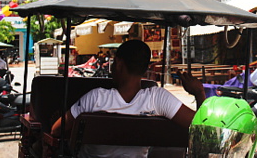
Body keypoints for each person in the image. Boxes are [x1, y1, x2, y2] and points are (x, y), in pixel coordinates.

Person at [50, 40, 205, 158]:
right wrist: (199, 93)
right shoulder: (158, 98)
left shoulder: (96, 98)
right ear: (145, 68)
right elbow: (203, 130)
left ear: (118, 63)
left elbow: (56, 130)